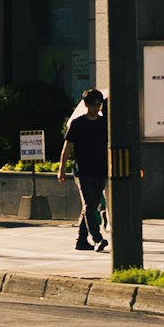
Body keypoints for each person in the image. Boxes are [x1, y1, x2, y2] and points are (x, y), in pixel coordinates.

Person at [63, 91, 110, 257]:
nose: (97, 107)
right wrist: (61, 168)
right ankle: (97, 238)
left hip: (101, 169)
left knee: (91, 205)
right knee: (90, 205)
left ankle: (81, 240)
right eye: (93, 104)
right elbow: (68, 147)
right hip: (83, 170)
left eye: (99, 104)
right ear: (86, 105)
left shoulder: (105, 123)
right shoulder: (78, 123)